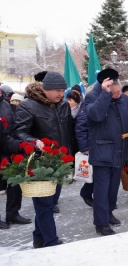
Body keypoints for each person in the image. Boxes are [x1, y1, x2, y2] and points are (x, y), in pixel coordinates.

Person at [14, 71, 74, 248]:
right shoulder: (28, 106)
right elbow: (19, 132)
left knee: (51, 202)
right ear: (45, 89)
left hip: (60, 162)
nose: (60, 94)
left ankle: (39, 238)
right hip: (40, 163)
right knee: (44, 204)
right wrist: (35, 142)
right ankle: (51, 241)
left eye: (62, 90)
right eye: (56, 90)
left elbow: (68, 132)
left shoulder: (63, 105)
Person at [85, 69, 128, 236]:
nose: (118, 95)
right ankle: (101, 223)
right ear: (105, 89)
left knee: (113, 189)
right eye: (114, 92)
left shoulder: (122, 99)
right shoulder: (93, 98)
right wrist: (105, 95)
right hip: (101, 152)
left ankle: (108, 213)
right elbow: (96, 115)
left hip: (119, 150)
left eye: (119, 91)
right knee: (101, 190)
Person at [0, 113, 27, 229]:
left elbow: (4, 139)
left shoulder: (4, 105)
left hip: (4, 156)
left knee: (15, 181)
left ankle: (12, 214)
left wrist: (20, 145)